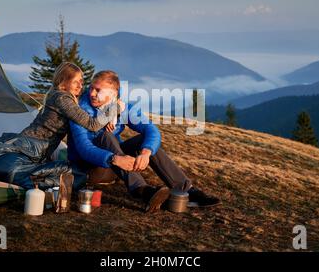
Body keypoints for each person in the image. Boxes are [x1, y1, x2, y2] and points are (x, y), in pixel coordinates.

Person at [67, 70, 220, 212]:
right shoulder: (79, 110)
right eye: (91, 88)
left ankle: (186, 190)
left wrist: (146, 152)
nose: (92, 93)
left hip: (116, 167)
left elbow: (151, 130)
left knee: (145, 142)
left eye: (98, 90)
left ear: (113, 93)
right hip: (90, 169)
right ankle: (143, 190)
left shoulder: (122, 108)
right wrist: (115, 158)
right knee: (105, 136)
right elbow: (84, 148)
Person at [0, 62, 120, 190]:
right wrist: (115, 108)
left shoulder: (59, 96)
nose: (81, 86)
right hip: (30, 146)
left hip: (35, 146)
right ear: (64, 81)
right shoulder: (63, 99)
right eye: (76, 82)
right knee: (19, 172)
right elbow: (91, 124)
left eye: (82, 81)